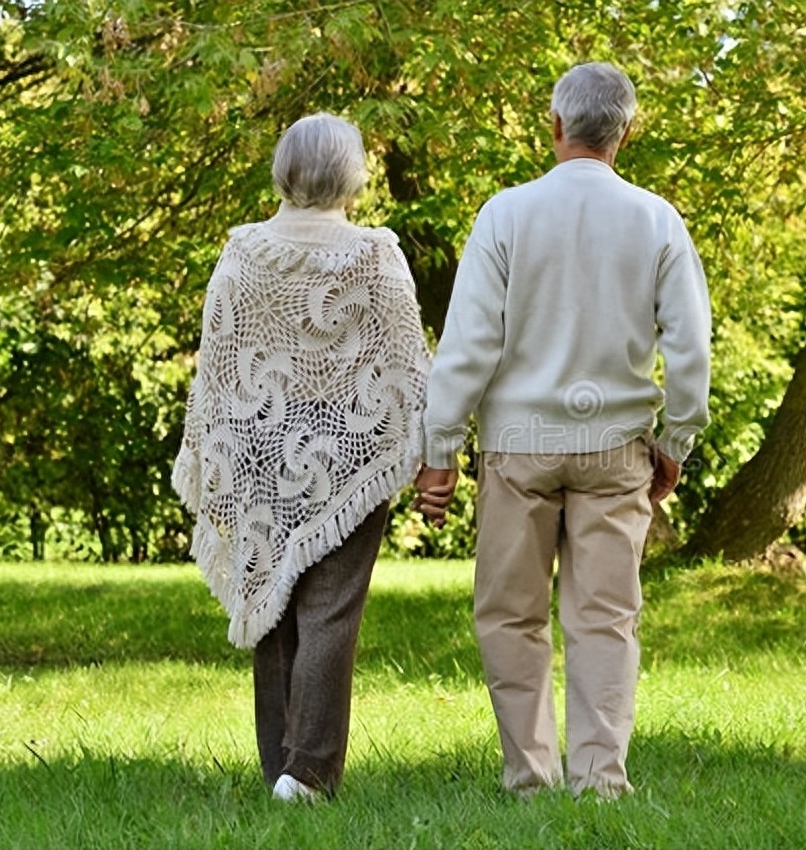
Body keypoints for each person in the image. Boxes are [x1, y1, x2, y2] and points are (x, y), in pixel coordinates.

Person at [414, 62, 711, 799]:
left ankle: (530, 776)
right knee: (606, 618)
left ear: (554, 125)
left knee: (511, 616)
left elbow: (470, 345)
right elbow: (692, 348)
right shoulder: (657, 219)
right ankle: (601, 780)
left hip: (520, 446)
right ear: (626, 132)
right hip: (616, 447)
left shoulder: (505, 215)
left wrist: (439, 450)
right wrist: (676, 443)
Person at [172, 113, 430, 802]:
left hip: (258, 444)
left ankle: (282, 765)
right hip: (351, 444)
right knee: (329, 611)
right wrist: (432, 449)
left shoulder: (243, 253)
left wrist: (220, 446)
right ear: (351, 176)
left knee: (272, 599)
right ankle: (307, 772)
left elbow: (220, 367)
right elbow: (408, 365)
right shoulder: (374, 255)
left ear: (284, 170)